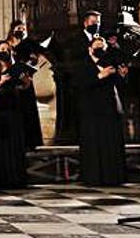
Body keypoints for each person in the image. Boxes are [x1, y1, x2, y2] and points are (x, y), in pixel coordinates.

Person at [77, 36, 130, 186]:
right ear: (90, 49)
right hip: (92, 111)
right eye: (97, 47)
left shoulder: (110, 63)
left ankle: (113, 175)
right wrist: (100, 75)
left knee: (111, 143)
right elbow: (79, 85)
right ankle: (94, 176)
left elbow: (119, 86)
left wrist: (122, 76)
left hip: (110, 109)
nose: (100, 50)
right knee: (94, 144)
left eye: (103, 47)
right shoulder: (83, 65)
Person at [0, 40, 30, 190]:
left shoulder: (14, 67)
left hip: (13, 108)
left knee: (15, 143)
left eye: (7, 49)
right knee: (0, 144)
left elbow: (25, 86)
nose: (5, 52)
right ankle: (1, 179)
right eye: (2, 49)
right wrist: (0, 82)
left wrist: (25, 79)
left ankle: (16, 178)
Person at [52, 10, 101, 143]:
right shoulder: (75, 39)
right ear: (85, 23)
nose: (96, 25)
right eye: (93, 22)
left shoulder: (101, 39)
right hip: (83, 81)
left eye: (98, 23)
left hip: (99, 82)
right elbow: (73, 60)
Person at [6, 20, 44, 150]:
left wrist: (33, 60)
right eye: (18, 28)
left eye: (23, 28)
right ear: (12, 29)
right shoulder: (7, 45)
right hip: (11, 79)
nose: (21, 30)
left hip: (26, 78)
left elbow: (35, 59)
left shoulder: (29, 44)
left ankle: (30, 142)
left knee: (28, 110)